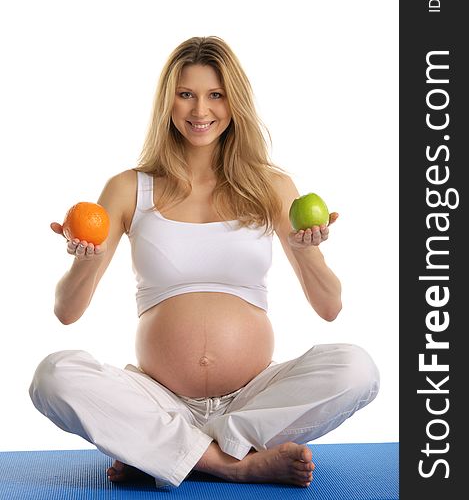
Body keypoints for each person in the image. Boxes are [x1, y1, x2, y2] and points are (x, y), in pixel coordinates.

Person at [29, 36, 380, 489]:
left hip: (253, 399)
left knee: (358, 369)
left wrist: (307, 249)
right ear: (167, 102)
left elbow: (329, 307)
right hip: (159, 398)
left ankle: (168, 451)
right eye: (186, 94)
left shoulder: (271, 187)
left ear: (234, 102)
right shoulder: (128, 188)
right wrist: (84, 260)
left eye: (215, 94)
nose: (200, 111)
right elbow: (66, 312)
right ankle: (232, 463)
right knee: (53, 375)